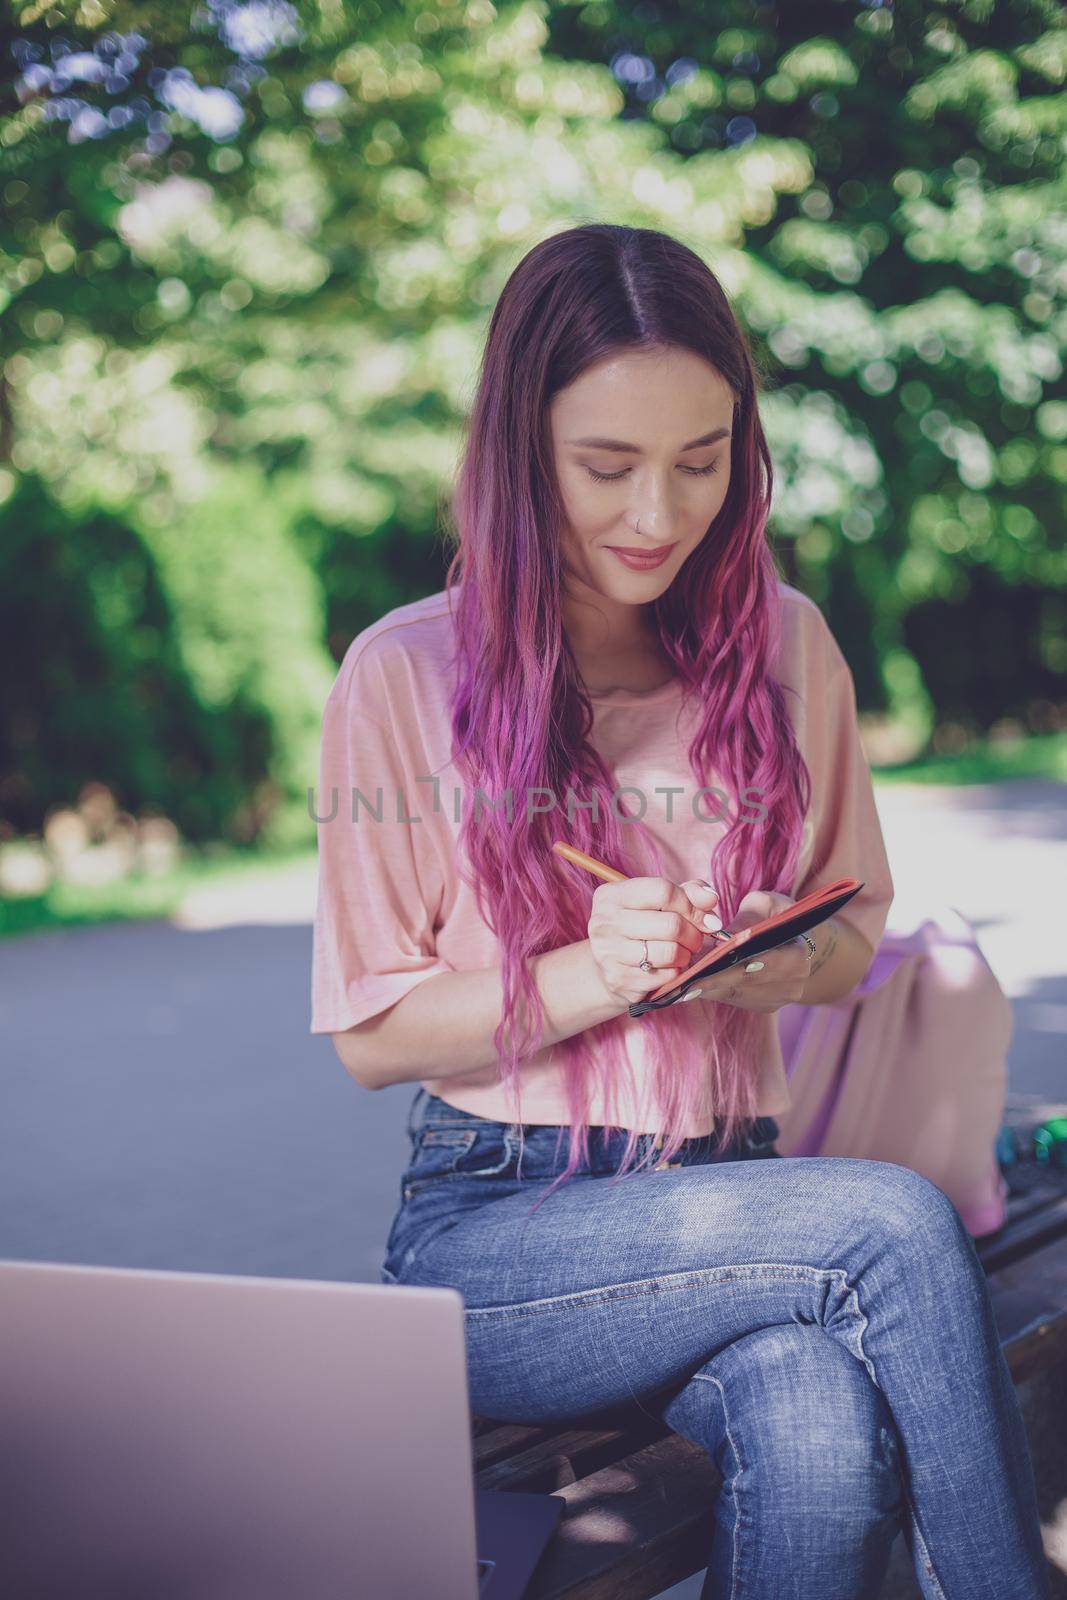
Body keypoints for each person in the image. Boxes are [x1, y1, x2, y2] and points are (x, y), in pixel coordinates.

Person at [310, 225, 1048, 1599]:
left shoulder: (787, 647)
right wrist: (596, 974)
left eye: (701, 462)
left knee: (817, 1418)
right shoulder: (402, 675)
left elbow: (848, 937)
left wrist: (759, 963)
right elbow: (371, 1033)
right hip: (499, 1234)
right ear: (521, 455)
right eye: (608, 467)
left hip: (730, 1194)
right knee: (889, 1223)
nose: (659, 512)